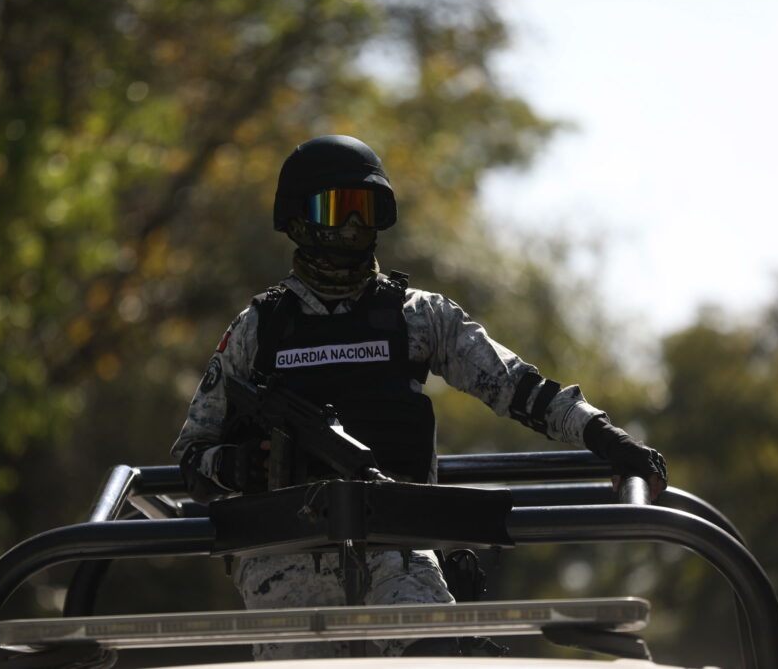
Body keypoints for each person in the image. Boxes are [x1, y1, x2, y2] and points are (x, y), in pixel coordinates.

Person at [171, 135, 667, 659]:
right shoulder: (258, 329)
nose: (353, 226)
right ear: (297, 220)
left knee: (433, 654)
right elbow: (191, 452)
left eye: (364, 210)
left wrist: (607, 439)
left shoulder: (418, 316)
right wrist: (235, 466)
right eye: (336, 209)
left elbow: (519, 388)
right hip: (283, 553)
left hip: (398, 541)